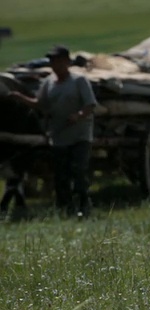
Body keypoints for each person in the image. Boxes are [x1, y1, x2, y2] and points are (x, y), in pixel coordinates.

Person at [10, 45, 98, 217]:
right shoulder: (48, 82)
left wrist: (78, 115)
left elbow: (90, 105)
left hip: (80, 134)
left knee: (78, 171)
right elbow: (39, 104)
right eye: (51, 61)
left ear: (67, 62)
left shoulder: (79, 81)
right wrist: (20, 98)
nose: (54, 64)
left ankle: (84, 206)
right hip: (59, 136)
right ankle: (66, 208)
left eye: (58, 60)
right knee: (61, 175)